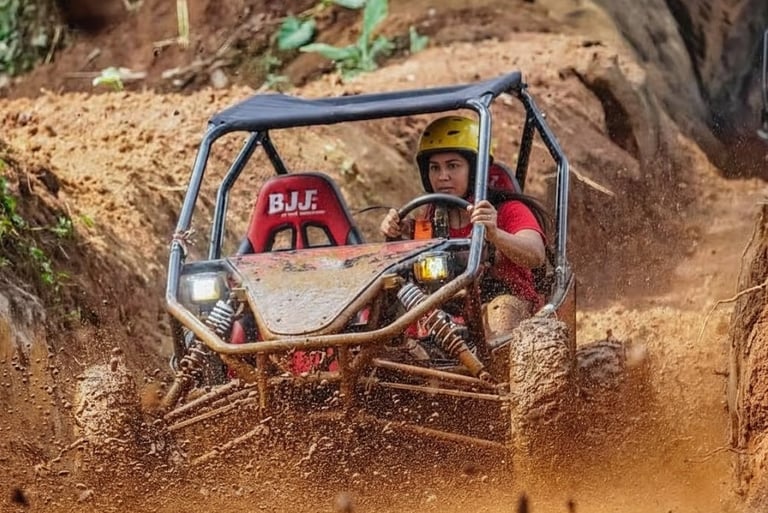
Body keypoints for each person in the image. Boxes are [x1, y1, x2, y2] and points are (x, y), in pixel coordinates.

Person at [379, 115, 549, 337]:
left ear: (475, 169)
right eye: (434, 168)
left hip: (507, 307)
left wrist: (496, 235)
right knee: (396, 321)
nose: (442, 176)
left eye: (453, 166)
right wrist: (396, 232)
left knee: (502, 312)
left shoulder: (507, 209)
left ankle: (499, 370)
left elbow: (536, 255)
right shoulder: (429, 216)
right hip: (445, 311)